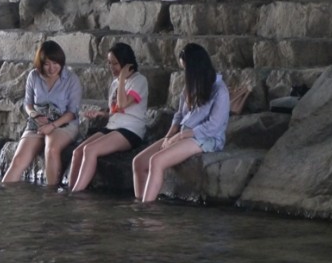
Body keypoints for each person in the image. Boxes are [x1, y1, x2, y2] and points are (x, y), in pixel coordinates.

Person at [132, 43, 229, 203]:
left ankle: (145, 211)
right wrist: (168, 137)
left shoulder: (220, 90)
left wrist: (180, 136)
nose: (185, 73)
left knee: (156, 161)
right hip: (183, 133)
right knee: (139, 162)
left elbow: (213, 126)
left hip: (205, 138)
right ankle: (141, 201)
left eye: (186, 69)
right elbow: (179, 115)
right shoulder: (190, 86)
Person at [68, 43, 148, 192]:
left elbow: (123, 104)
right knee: (78, 151)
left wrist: (123, 77)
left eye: (115, 64)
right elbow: (115, 110)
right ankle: (70, 189)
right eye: (109, 63)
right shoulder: (115, 83)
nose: (111, 67)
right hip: (113, 126)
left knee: (90, 150)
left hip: (130, 130)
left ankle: (76, 194)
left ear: (126, 63)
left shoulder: (139, 81)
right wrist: (101, 114)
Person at [2, 41, 82, 186]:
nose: (52, 68)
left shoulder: (71, 79)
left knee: (51, 149)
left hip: (64, 123)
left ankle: (51, 197)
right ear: (40, 64)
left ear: (61, 61)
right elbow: (28, 104)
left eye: (55, 63)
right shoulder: (34, 76)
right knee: (19, 159)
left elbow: (72, 113)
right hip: (38, 122)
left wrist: (53, 125)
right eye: (47, 64)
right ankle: (3, 197)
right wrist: (35, 115)